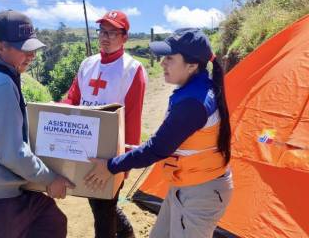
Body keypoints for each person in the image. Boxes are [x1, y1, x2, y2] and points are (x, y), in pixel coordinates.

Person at [85, 28, 233, 238]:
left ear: (192, 65)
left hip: (201, 193)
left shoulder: (193, 102)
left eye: (170, 58)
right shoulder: (195, 90)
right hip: (186, 185)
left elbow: (157, 148)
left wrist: (110, 166)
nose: (162, 63)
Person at [0, 10, 74, 238]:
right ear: (0, 47)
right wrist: (51, 179)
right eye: (24, 48)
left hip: (9, 191)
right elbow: (11, 153)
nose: (31, 55)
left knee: (52, 222)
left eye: (33, 48)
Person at [62, 10, 147, 238]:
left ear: (125, 38)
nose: (105, 37)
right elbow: (73, 98)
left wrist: (124, 162)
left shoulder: (132, 70)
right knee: (98, 202)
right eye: (102, 31)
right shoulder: (87, 64)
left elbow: (133, 118)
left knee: (103, 209)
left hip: (111, 152)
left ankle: (123, 231)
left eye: (112, 32)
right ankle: (126, 231)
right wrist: (57, 110)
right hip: (83, 146)